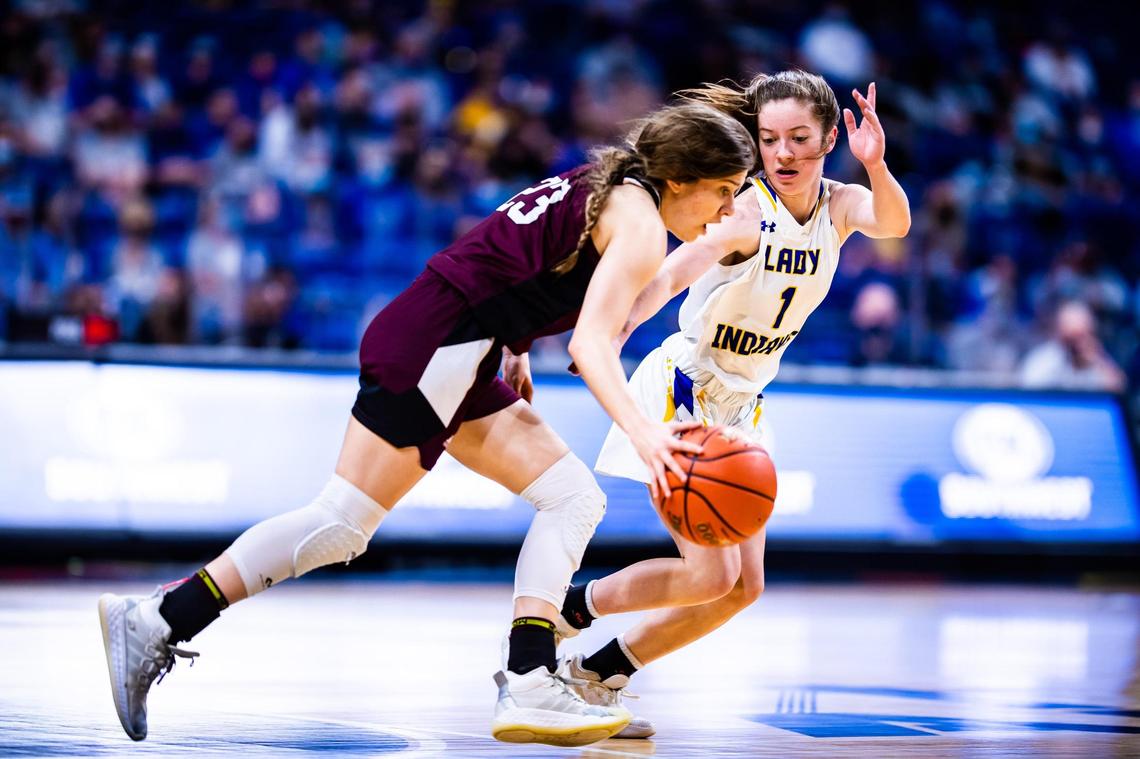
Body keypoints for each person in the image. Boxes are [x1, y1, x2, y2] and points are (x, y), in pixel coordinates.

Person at [96, 101, 755, 748]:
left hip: (451, 338)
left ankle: (530, 673)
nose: (728, 209)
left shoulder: (606, 184)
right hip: (440, 346)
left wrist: (516, 341)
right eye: (724, 193)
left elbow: (520, 261)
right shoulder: (639, 225)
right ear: (680, 179)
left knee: (572, 496)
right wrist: (647, 434)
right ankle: (157, 617)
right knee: (341, 523)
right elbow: (592, 346)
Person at [554, 70, 911, 738]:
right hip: (687, 388)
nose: (782, 153)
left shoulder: (837, 205)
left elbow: (893, 221)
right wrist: (620, 327)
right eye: (769, 138)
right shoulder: (746, 207)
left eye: (799, 138)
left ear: (831, 138)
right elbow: (681, 267)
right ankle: (564, 612)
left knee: (743, 587)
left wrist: (877, 164)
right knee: (712, 571)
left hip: (744, 403)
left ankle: (597, 671)